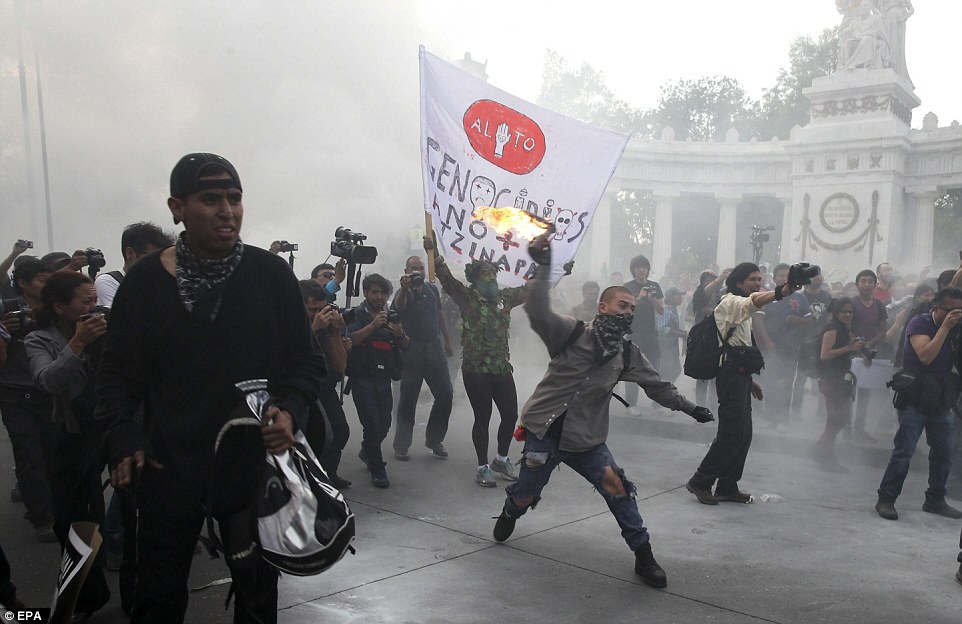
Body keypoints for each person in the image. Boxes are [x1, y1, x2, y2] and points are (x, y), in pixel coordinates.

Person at [96, 153, 325, 623]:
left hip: (250, 466)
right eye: (211, 199)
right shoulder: (143, 283)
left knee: (258, 595)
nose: (227, 210)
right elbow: (116, 374)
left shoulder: (270, 275)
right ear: (177, 207)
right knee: (156, 596)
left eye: (235, 198)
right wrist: (123, 437)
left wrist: (290, 410)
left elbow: (306, 362)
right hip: (166, 466)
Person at [490, 234, 714, 589]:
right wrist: (544, 265)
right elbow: (536, 309)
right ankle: (510, 511)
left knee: (619, 490)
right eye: (622, 305)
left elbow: (657, 386)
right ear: (604, 308)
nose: (627, 311)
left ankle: (643, 555)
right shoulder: (569, 332)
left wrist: (690, 408)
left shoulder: (627, 354)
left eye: (632, 309)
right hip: (543, 433)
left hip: (587, 440)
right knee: (526, 493)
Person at [25, 271, 111, 617]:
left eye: (95, 300)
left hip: (110, 428)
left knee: (110, 508)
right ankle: (91, 592)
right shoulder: (39, 340)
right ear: (60, 307)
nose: (94, 308)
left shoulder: (107, 329)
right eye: (85, 302)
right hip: (71, 435)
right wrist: (78, 343)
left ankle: (112, 584)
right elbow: (48, 381)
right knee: (69, 518)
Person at [686, 262, 801, 505]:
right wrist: (783, 291)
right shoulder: (731, 302)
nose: (758, 283)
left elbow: (739, 348)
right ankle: (700, 481)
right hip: (729, 375)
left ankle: (727, 486)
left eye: (760, 279)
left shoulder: (743, 310)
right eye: (752, 280)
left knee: (744, 433)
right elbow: (753, 303)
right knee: (731, 433)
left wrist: (750, 383)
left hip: (739, 375)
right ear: (739, 283)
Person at [424, 236, 524, 487]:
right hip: (475, 369)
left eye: (493, 272)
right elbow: (446, 279)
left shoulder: (505, 299)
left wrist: (551, 268)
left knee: (510, 414)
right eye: (485, 273)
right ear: (476, 278)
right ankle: (482, 467)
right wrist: (434, 252)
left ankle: (501, 458)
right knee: (483, 416)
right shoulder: (467, 298)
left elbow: (533, 288)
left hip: (501, 367)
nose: (491, 277)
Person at [875, 288, 962, 521]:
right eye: (949, 310)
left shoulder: (958, 329)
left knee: (944, 453)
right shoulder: (920, 323)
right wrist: (945, 328)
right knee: (904, 452)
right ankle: (886, 499)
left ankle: (935, 499)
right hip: (915, 397)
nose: (955, 314)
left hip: (941, 398)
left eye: (959, 310)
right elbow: (925, 356)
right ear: (936, 307)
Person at [0, 256, 57, 543]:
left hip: (48, 393)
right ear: (22, 283)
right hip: (14, 394)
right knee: (29, 456)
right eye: (42, 280)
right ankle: (42, 518)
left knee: (54, 454)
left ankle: (56, 506)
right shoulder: (6, 311)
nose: (47, 285)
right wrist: (4, 332)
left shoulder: (57, 310)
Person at [346, 273, 409, 488]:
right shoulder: (354, 314)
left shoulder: (391, 316)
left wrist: (400, 333)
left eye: (383, 293)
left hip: (383, 378)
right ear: (366, 293)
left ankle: (368, 450)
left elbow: (405, 344)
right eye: (375, 292)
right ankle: (377, 467)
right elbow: (350, 340)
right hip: (361, 376)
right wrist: (373, 325)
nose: (379, 296)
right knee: (372, 423)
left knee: (384, 424)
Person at [393, 255, 454, 461]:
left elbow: (439, 315)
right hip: (411, 351)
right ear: (406, 271)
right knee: (408, 400)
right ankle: (401, 445)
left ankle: (434, 439)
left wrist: (447, 340)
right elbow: (399, 308)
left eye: (421, 268)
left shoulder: (432, 289)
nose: (418, 271)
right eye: (414, 268)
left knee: (445, 395)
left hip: (434, 349)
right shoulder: (403, 291)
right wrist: (404, 288)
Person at [298, 279, 352, 489]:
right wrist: (312, 328)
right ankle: (310, 479)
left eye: (322, 309)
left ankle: (328, 473)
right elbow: (292, 355)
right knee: (318, 437)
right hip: (302, 389)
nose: (319, 314)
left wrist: (335, 332)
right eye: (313, 309)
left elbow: (340, 365)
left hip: (325, 387)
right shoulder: (292, 324)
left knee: (340, 432)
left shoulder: (327, 327)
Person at [809, 299, 863, 473]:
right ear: (836, 313)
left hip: (839, 378)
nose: (847, 315)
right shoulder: (832, 328)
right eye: (844, 312)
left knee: (838, 419)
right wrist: (848, 348)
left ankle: (820, 451)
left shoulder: (843, 328)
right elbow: (825, 354)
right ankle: (824, 455)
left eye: (850, 312)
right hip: (831, 379)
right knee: (836, 419)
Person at [95, 222, 174, 308]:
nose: (157, 262)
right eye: (152, 257)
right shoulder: (108, 282)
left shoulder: (163, 284)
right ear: (130, 253)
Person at [850, 269, 888, 441]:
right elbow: (845, 327)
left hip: (869, 353)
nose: (866, 284)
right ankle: (844, 426)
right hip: (849, 352)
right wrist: (857, 345)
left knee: (865, 392)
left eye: (870, 281)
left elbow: (882, 330)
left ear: (875, 284)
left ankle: (860, 428)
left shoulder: (879, 305)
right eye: (863, 281)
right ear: (857, 284)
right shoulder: (850, 303)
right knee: (847, 392)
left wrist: (867, 347)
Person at [623, 254, 664, 415]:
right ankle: (631, 403)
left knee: (654, 369)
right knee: (633, 369)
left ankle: (657, 402)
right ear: (633, 270)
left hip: (651, 334)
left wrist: (653, 299)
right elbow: (625, 309)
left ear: (648, 269)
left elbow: (661, 310)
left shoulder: (655, 286)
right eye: (638, 267)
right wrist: (639, 297)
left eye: (644, 267)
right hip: (634, 334)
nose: (641, 270)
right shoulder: (628, 286)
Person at [656, 287, 687, 383]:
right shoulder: (666, 310)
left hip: (672, 346)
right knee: (666, 372)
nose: (681, 298)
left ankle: (666, 391)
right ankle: (661, 393)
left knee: (676, 370)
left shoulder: (673, 310)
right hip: (665, 346)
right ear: (670, 297)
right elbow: (662, 328)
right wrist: (680, 334)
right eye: (678, 295)